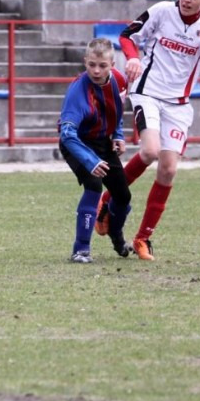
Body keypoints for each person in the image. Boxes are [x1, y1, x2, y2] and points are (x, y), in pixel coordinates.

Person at [93, 0, 200, 261]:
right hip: (148, 93)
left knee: (168, 170)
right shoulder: (162, 11)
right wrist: (133, 58)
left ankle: (142, 238)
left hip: (179, 105)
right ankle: (107, 199)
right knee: (150, 151)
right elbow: (127, 35)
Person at [58, 38, 133, 263]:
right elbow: (67, 134)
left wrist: (118, 134)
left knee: (123, 196)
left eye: (102, 65)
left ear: (112, 64)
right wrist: (91, 161)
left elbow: (115, 110)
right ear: (85, 62)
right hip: (77, 144)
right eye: (91, 65)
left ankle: (116, 236)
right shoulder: (77, 92)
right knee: (93, 185)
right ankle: (80, 250)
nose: (96, 71)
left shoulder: (119, 80)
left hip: (102, 142)